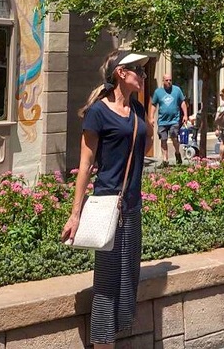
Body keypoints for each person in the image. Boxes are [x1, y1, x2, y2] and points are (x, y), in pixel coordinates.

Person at [61, 50, 151, 348]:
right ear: (121, 73)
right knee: (107, 283)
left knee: (128, 278)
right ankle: (102, 343)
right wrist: (75, 214)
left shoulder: (138, 109)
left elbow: (143, 146)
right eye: (138, 70)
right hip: (107, 205)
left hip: (132, 206)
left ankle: (112, 337)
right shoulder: (98, 112)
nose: (143, 74)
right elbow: (85, 165)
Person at [149, 74, 188, 166]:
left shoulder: (177, 90)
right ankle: (165, 160)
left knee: (174, 137)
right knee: (163, 139)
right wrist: (151, 117)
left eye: (170, 80)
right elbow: (153, 105)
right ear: (163, 81)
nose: (169, 82)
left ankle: (177, 153)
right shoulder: (158, 92)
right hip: (162, 121)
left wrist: (185, 115)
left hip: (174, 120)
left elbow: (182, 103)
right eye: (167, 80)